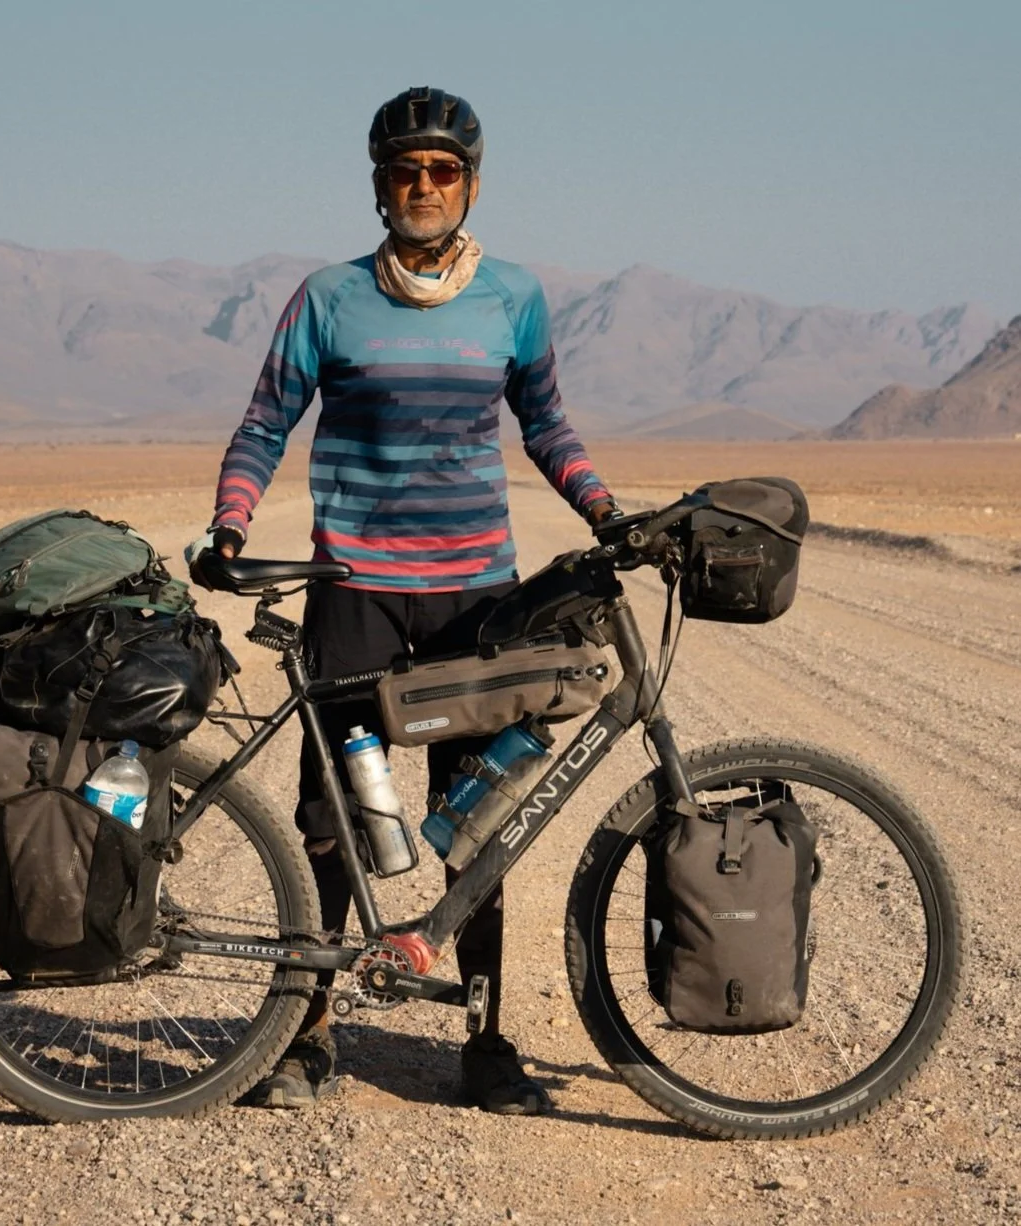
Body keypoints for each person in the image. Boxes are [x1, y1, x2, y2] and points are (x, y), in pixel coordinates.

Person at [188, 86, 618, 1114]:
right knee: (336, 820)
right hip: (356, 591)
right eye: (403, 170)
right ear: (378, 183)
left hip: (475, 599)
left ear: (470, 184)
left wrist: (605, 509)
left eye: (441, 171)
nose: (422, 186)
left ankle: (484, 1036)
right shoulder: (327, 297)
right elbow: (262, 423)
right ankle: (308, 1030)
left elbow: (546, 425)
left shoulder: (512, 296)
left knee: (477, 822)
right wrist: (230, 521)